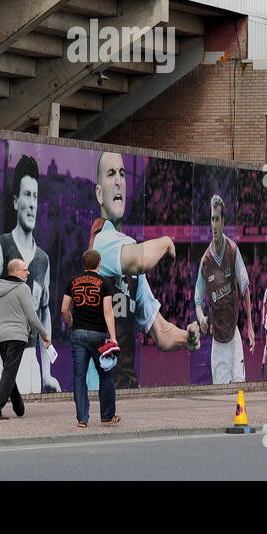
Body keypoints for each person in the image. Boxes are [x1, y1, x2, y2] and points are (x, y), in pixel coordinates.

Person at [89, 151, 198, 390]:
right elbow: (140, 259)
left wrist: (185, 338)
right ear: (99, 193)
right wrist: (167, 241)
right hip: (100, 388)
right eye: (110, 174)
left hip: (125, 387)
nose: (118, 181)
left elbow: (160, 330)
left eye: (122, 173)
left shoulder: (128, 255)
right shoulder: (101, 241)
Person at [0, 155, 59, 399]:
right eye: (26, 195)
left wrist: (47, 373)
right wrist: (0, 326)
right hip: (4, 356)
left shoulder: (43, 260)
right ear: (15, 201)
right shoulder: (2, 246)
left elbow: (44, 313)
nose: (31, 203)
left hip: (31, 362)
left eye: (35, 196)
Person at [195, 195, 254, 384]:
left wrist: (251, 327)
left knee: (239, 388)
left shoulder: (233, 250)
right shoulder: (205, 262)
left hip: (234, 335)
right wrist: (201, 317)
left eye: (217, 219)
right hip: (217, 342)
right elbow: (198, 301)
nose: (214, 224)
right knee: (220, 396)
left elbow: (245, 288)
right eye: (212, 219)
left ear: (223, 221)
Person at [0, 257, 52, 419]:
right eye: (24, 269)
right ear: (15, 271)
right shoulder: (23, 289)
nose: (28, 272)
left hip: (1, 337)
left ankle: (19, 407)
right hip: (18, 337)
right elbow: (32, 316)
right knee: (9, 372)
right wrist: (44, 335)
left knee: (9, 371)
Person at [61, 248, 120, 427]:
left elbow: (64, 309)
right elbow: (108, 311)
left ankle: (82, 419)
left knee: (79, 376)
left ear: (84, 264)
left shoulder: (73, 282)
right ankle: (107, 416)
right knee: (105, 374)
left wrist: (72, 325)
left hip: (78, 332)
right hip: (98, 334)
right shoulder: (105, 282)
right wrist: (113, 337)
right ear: (99, 263)